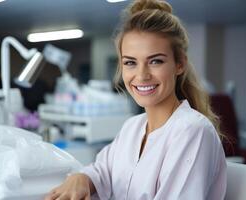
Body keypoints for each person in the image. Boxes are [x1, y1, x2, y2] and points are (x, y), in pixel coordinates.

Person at [45, 0, 227, 199]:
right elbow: (102, 171)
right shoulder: (132, 127)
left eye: (155, 61)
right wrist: (81, 178)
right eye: (130, 63)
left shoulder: (193, 131)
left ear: (179, 64)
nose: (141, 75)